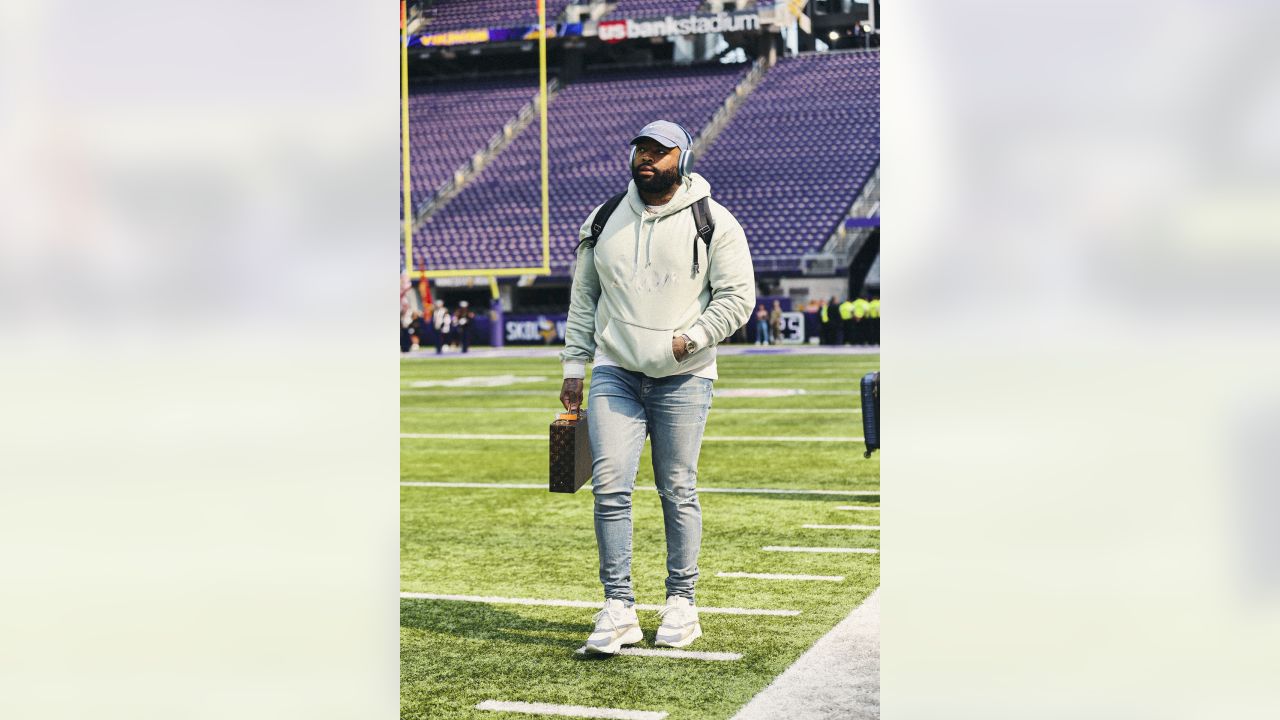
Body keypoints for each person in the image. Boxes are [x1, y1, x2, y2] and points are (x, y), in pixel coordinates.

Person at [559, 120, 755, 654]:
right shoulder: (603, 220)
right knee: (609, 487)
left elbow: (738, 299)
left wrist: (689, 341)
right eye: (640, 149)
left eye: (659, 151)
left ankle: (681, 603)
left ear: (682, 157)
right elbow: (583, 302)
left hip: (683, 376)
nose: (646, 158)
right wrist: (575, 370)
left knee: (677, 489)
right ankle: (619, 607)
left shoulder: (715, 220)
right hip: (616, 372)